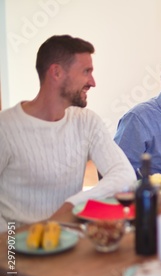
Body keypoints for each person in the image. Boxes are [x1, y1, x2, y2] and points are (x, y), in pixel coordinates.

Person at [0, 35, 136, 232]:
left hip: (69, 240)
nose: (93, 82)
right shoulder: (5, 127)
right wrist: (10, 242)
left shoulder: (87, 121)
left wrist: (71, 205)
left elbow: (125, 175)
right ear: (56, 72)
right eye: (86, 71)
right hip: (15, 250)